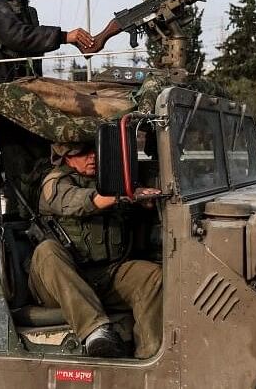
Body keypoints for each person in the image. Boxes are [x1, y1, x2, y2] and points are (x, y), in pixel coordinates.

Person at [28, 143, 162, 358]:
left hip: (104, 275)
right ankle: (95, 332)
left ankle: (149, 357)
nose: (92, 157)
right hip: (60, 284)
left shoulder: (109, 180)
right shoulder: (55, 182)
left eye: (95, 151)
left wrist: (144, 202)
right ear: (67, 157)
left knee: (152, 277)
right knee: (47, 251)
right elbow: (76, 202)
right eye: (82, 153)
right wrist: (122, 194)